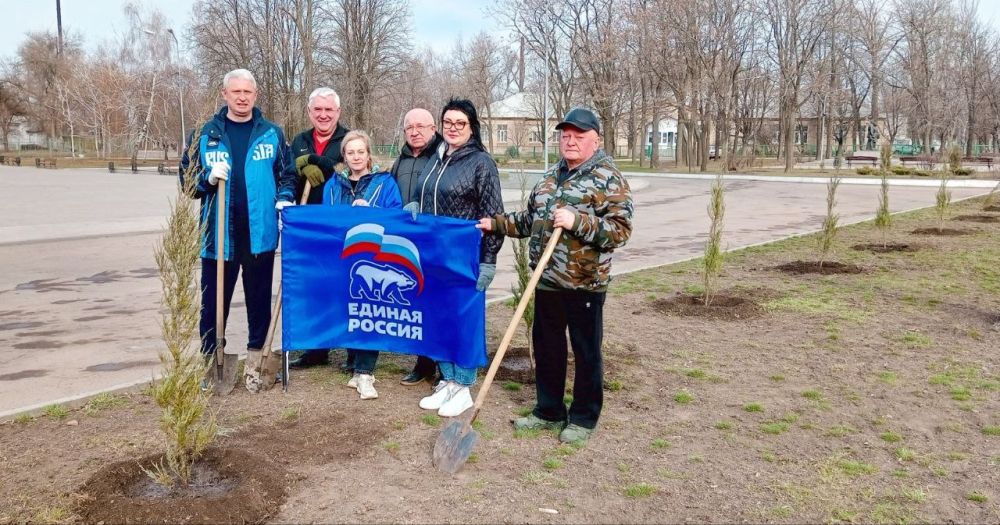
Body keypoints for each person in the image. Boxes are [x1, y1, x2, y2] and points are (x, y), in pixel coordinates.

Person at [477, 107, 633, 444]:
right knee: (547, 347)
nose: (570, 141)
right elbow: (529, 219)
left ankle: (583, 417)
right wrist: (496, 223)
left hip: (585, 283)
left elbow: (620, 231)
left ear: (595, 140)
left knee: (586, 350)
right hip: (546, 279)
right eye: (566, 135)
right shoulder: (550, 177)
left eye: (578, 135)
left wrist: (578, 222)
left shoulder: (609, 178)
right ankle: (548, 411)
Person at [179, 68, 297, 364]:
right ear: (225, 94)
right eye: (236, 92)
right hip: (218, 238)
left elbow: (287, 175)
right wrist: (206, 177)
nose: (242, 97)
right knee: (213, 303)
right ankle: (211, 356)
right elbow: (187, 184)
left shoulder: (271, 133)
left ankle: (256, 357)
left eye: (247, 92)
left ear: (255, 95)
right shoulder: (205, 135)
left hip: (260, 236)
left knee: (259, 302)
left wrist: (284, 199)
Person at [409, 98, 504, 417]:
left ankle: (463, 385)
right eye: (447, 122)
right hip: (433, 256)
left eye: (459, 123)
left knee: (462, 321)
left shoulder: (481, 163)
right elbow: (428, 195)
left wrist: (489, 258)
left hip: (464, 258)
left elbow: (494, 215)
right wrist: (415, 210)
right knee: (439, 318)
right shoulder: (436, 158)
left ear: (472, 127)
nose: (452, 127)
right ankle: (448, 379)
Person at [314, 129, 403, 399]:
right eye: (350, 152)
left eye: (360, 152)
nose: (355, 157)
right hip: (342, 255)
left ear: (368, 154)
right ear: (344, 155)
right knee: (348, 308)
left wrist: (373, 213)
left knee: (368, 310)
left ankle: (365, 372)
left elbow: (395, 215)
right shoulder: (334, 184)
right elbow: (326, 217)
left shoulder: (384, 182)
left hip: (373, 255)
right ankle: (354, 361)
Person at [286, 87, 350, 370]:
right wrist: (284, 199)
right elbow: (288, 174)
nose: (323, 115)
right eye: (318, 110)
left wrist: (317, 162)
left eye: (329, 110)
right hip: (307, 226)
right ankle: (316, 349)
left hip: (338, 226)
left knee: (343, 286)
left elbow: (351, 171)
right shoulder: (299, 140)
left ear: (338, 112)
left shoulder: (348, 139)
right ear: (310, 112)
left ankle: (353, 351)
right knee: (313, 287)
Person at [390, 108, 445, 386]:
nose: (415, 131)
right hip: (404, 243)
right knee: (417, 303)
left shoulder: (441, 157)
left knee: (435, 305)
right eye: (409, 127)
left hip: (432, 242)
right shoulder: (399, 160)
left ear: (433, 128)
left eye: (421, 126)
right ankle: (423, 364)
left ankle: (442, 366)